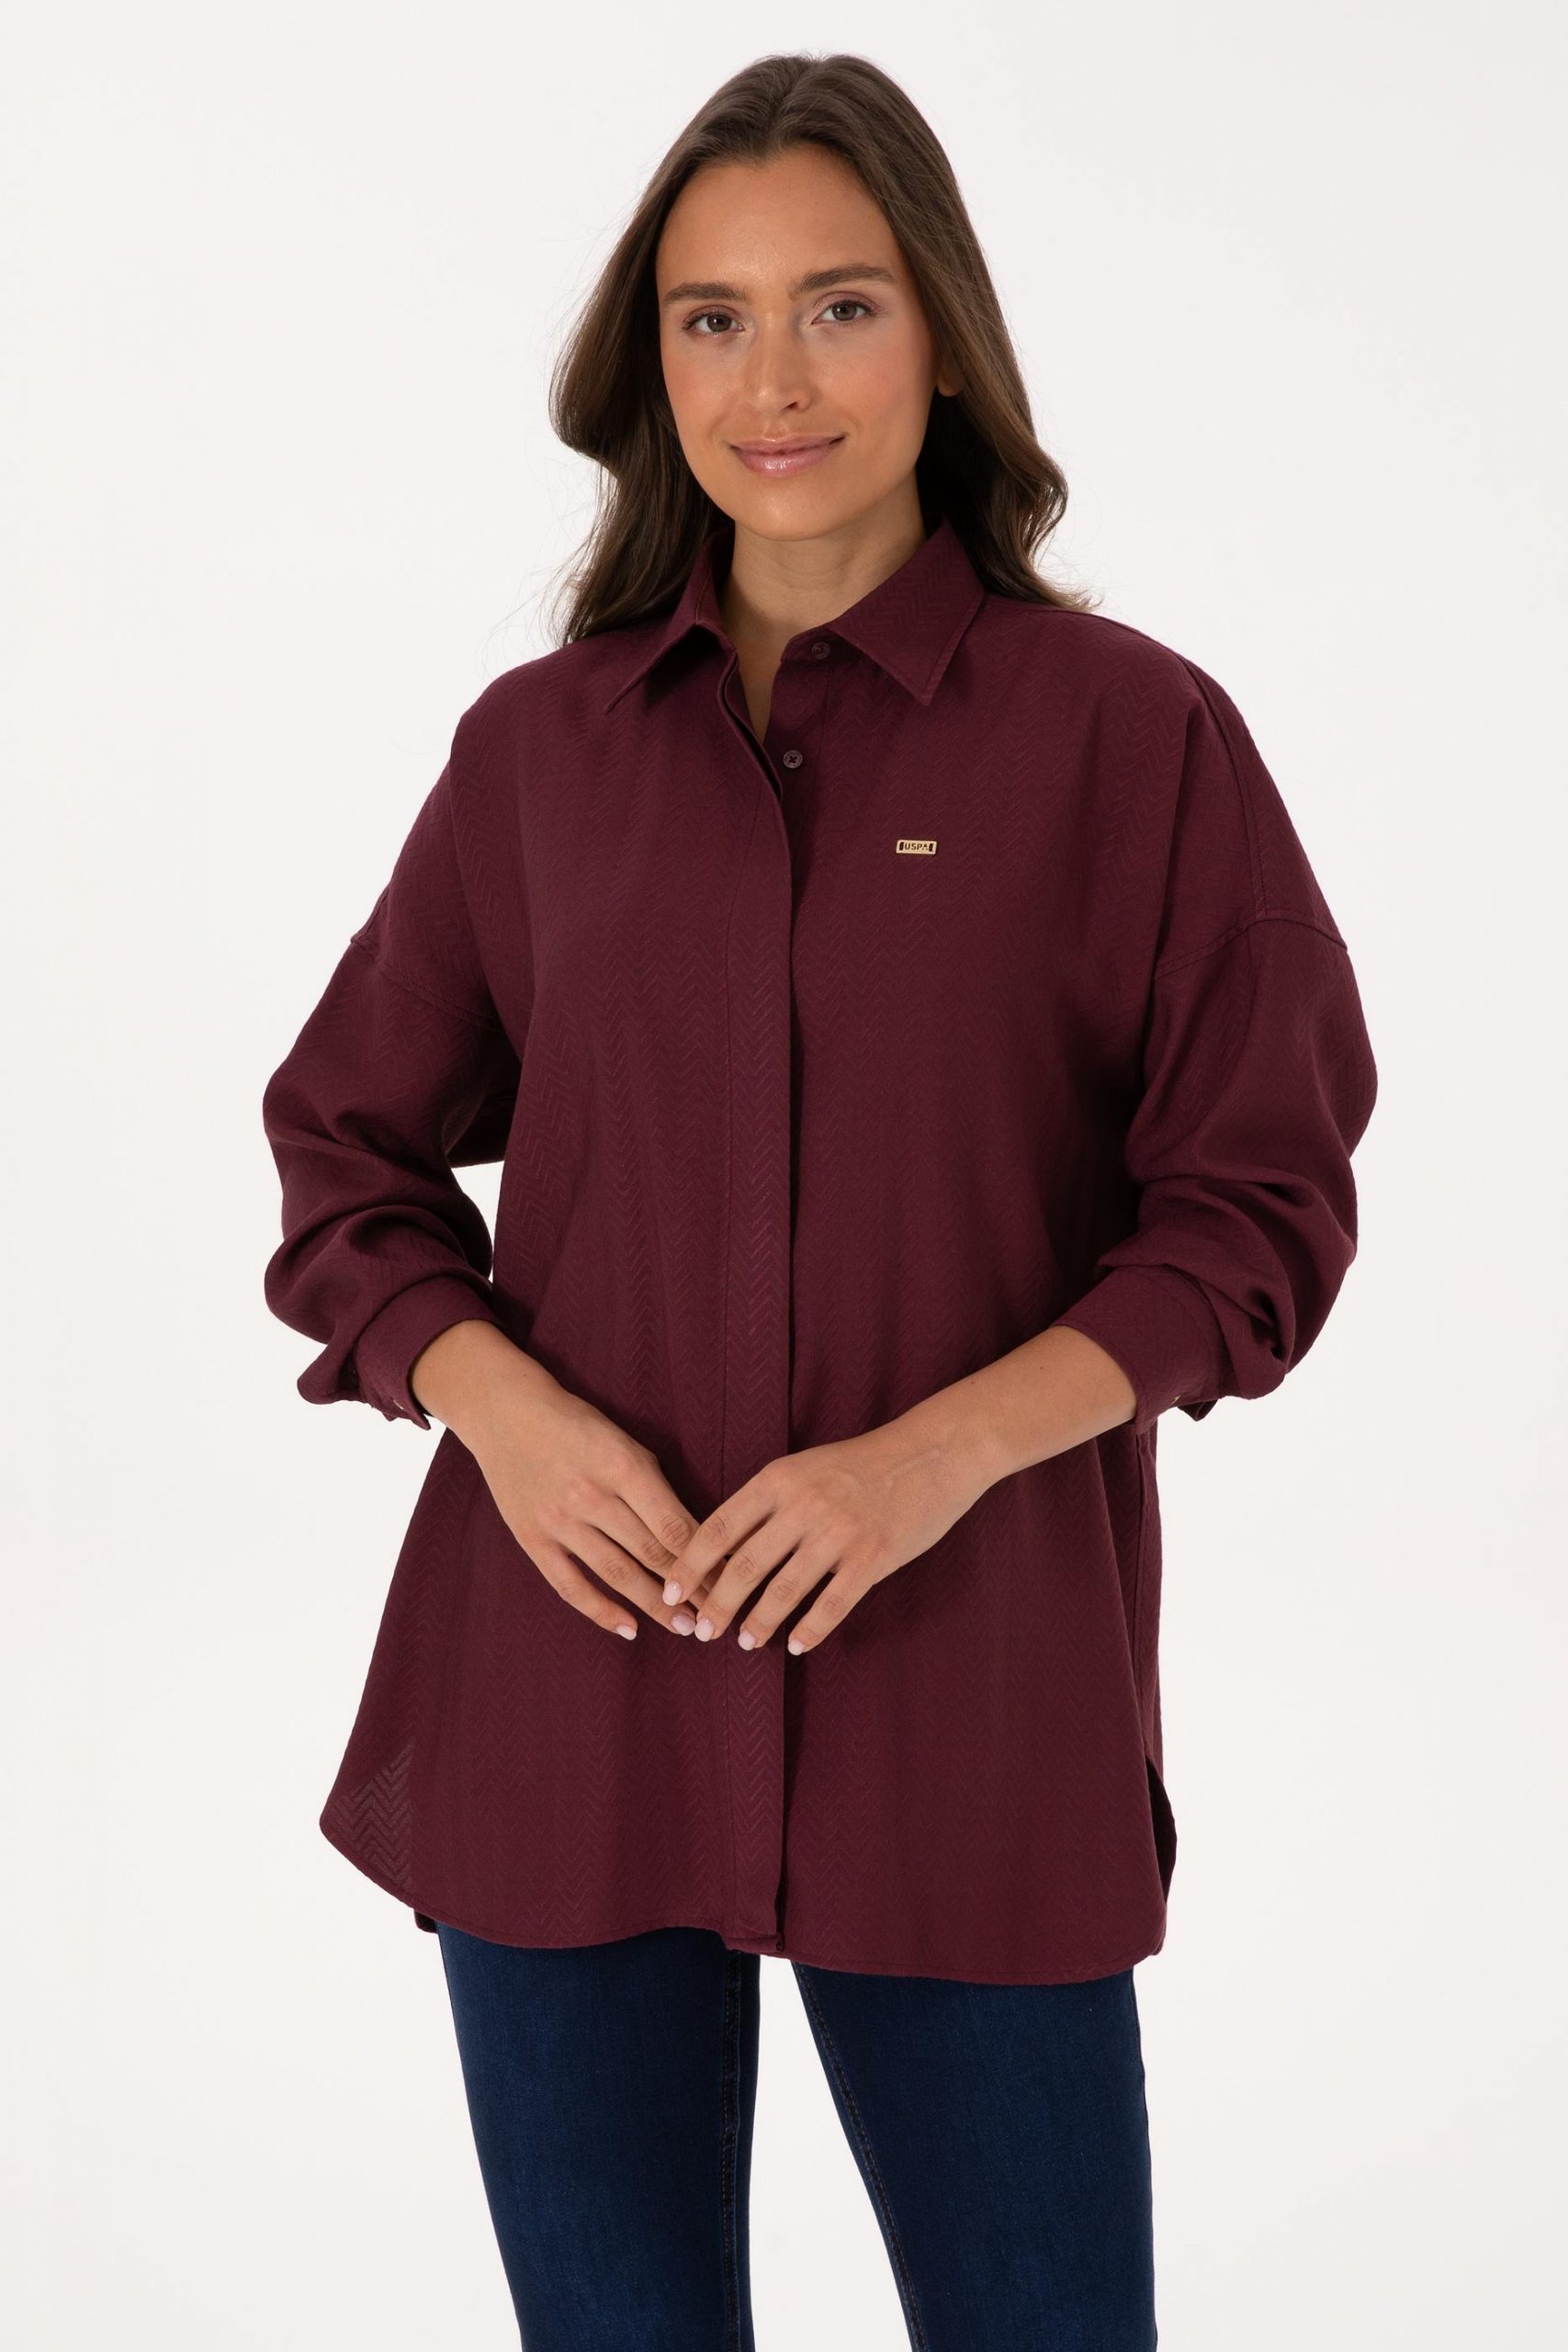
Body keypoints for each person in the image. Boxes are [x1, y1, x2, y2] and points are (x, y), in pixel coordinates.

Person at [260, 51, 1378, 2352]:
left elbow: (1255, 1206)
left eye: (837, 307)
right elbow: (343, 1145)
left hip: (967, 1708)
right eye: (711, 318)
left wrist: (927, 1458)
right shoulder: (536, 754)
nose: (770, 380)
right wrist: (501, 1413)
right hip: (564, 1700)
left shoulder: (1132, 738)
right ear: (650, 364)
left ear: (942, 337)